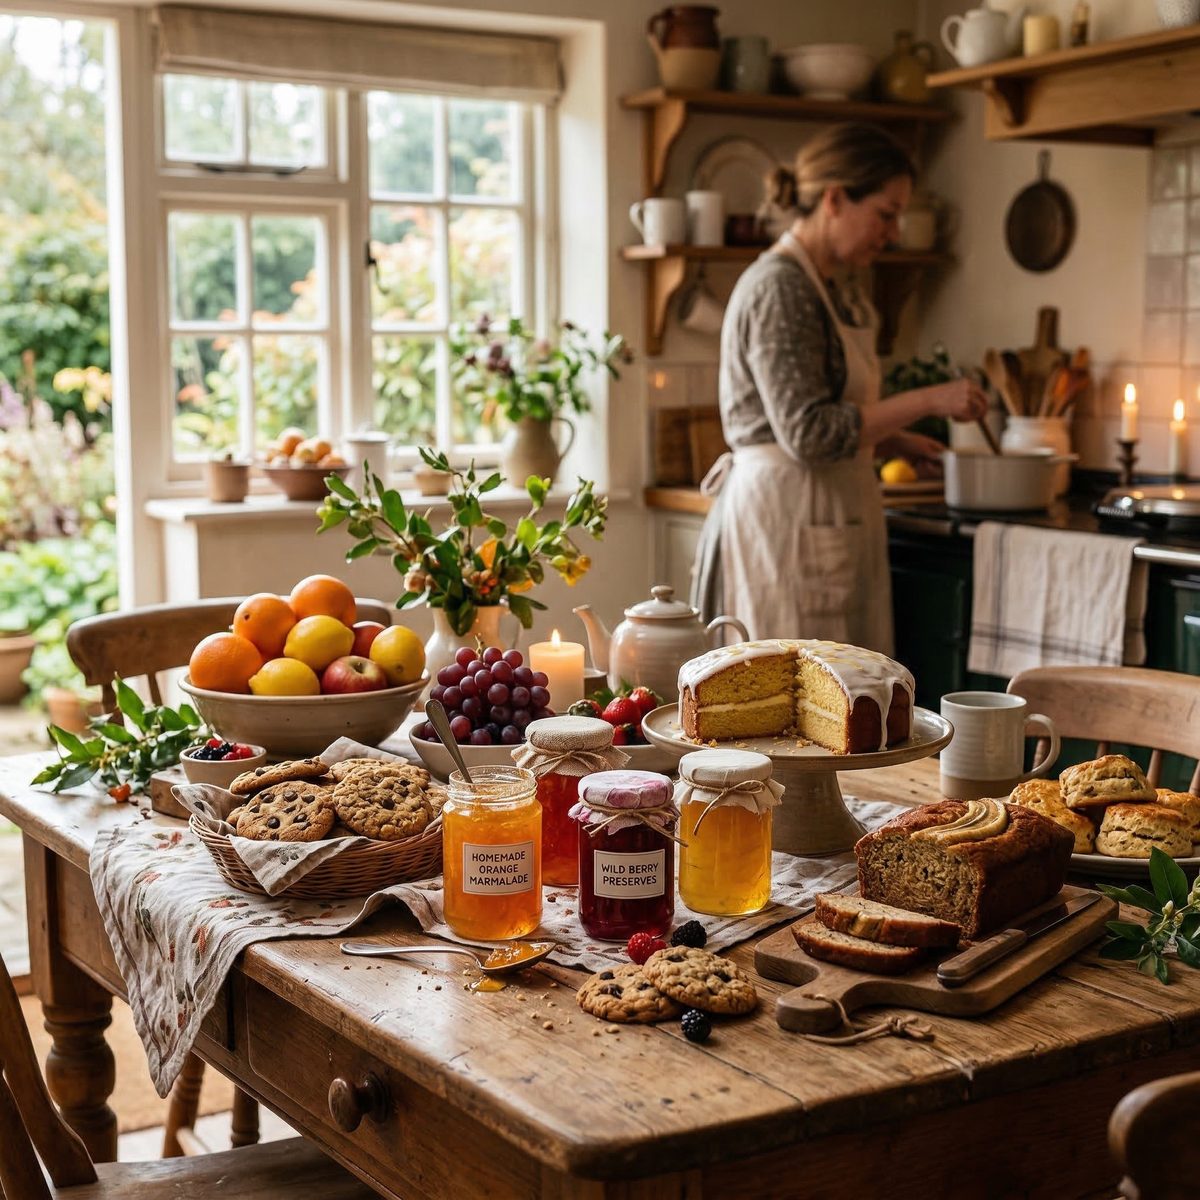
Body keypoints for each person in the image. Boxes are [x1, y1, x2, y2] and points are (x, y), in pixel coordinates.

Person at [692, 122, 987, 655]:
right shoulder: (782, 288)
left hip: (821, 512)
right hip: (786, 521)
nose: (894, 231)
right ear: (834, 199)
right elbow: (808, 432)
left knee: (840, 702)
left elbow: (823, 409)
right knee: (792, 705)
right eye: (885, 213)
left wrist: (892, 438)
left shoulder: (825, 285)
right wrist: (930, 399)